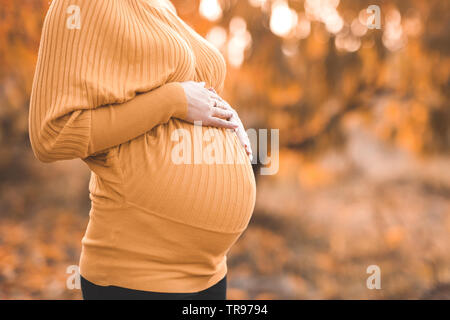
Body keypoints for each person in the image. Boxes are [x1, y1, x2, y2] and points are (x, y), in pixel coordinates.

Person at [29, 0, 256, 300]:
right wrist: (173, 101)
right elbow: (51, 134)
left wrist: (225, 113)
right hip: (139, 275)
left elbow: (185, 92)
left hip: (210, 272)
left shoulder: (159, 5)